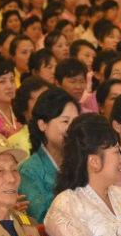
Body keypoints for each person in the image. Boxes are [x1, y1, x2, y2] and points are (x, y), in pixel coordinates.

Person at [18, 89, 79, 223]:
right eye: (65, 121)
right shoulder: (29, 171)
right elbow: (42, 218)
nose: (72, 128)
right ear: (42, 125)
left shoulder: (82, 161)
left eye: (75, 121)